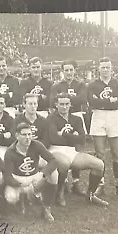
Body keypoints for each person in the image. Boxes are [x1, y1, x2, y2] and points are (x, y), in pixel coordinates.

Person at [46, 93, 109, 207]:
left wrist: (63, 134)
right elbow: (53, 138)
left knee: (99, 164)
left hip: (71, 151)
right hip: (55, 150)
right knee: (64, 163)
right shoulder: (51, 118)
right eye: (61, 104)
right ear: (56, 105)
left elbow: (82, 139)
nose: (64, 107)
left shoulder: (76, 119)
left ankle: (91, 195)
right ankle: (59, 193)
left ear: (70, 104)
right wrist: (72, 135)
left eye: (66, 104)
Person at [87, 57, 118, 198]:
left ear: (112, 68)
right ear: (99, 68)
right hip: (98, 116)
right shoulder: (93, 85)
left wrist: (102, 102)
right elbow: (92, 101)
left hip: (114, 117)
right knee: (99, 154)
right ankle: (101, 184)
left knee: (116, 153)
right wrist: (110, 100)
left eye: (107, 67)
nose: (105, 70)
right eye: (103, 67)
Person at [4, 122, 58, 222]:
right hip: (18, 178)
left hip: (34, 177)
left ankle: (46, 207)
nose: (28, 137)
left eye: (30, 134)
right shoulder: (10, 151)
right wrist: (19, 184)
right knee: (10, 197)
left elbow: (53, 160)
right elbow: (7, 176)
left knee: (54, 174)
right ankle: (21, 200)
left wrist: (42, 174)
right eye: (24, 134)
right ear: (17, 136)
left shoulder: (36, 145)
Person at [50, 60, 88, 196]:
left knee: (77, 148)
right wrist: (72, 99)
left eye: (71, 70)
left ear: (75, 70)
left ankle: (76, 183)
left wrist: (66, 99)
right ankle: (64, 181)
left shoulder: (81, 84)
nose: (69, 72)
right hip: (61, 117)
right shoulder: (57, 85)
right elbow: (53, 100)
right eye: (66, 70)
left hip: (76, 115)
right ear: (62, 71)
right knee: (62, 146)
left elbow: (83, 99)